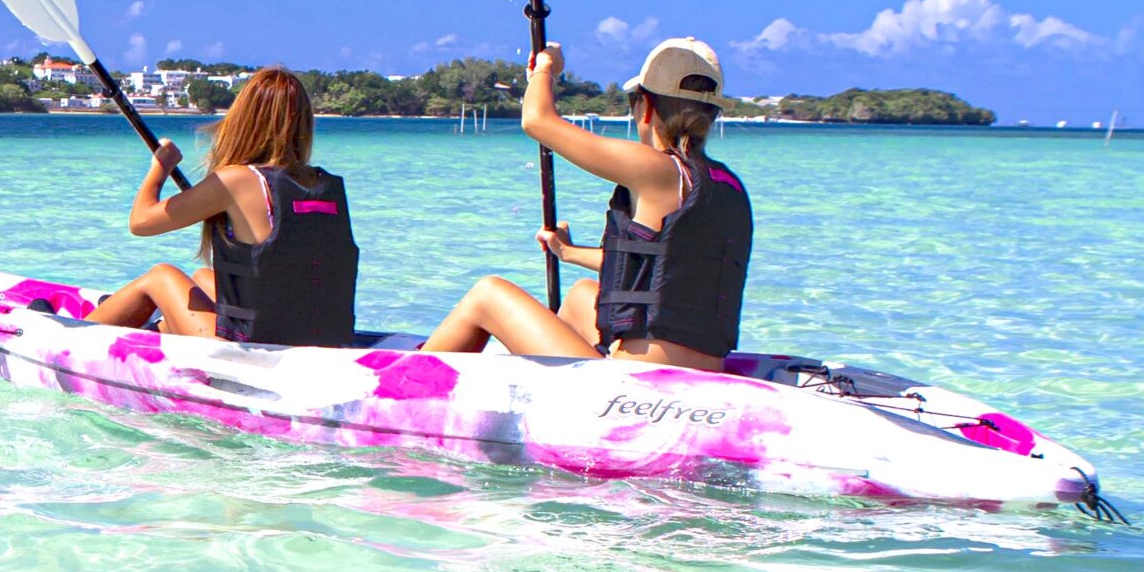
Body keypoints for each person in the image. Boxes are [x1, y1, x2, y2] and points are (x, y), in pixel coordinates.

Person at [423, 37, 752, 368]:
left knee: (487, 295)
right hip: (705, 371)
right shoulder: (727, 185)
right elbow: (670, 268)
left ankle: (398, 387)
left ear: (646, 106)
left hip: (640, 379)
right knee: (583, 294)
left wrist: (546, 69)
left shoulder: (655, 167)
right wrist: (568, 252)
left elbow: (536, 120)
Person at [88, 65, 360, 346]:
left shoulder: (238, 179)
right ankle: (158, 328)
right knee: (205, 278)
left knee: (161, 276)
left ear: (244, 121)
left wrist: (160, 168)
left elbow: (141, 223)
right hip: (323, 338)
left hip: (258, 347)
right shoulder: (328, 185)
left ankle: (72, 336)